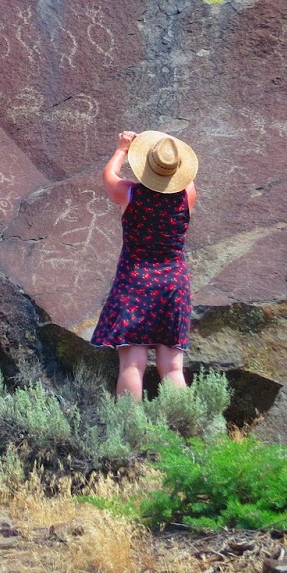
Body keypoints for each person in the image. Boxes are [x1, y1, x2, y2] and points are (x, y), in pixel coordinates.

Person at [90, 129, 198, 400]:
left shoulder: (129, 193)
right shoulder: (188, 193)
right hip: (173, 283)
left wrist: (122, 149)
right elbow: (185, 179)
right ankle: (180, 424)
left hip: (135, 280)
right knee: (173, 367)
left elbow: (109, 175)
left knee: (132, 364)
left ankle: (129, 426)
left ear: (146, 167)